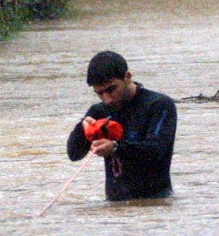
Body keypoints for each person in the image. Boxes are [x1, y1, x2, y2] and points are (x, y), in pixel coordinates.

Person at [66, 50, 176, 201]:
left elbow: (156, 151)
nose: (107, 100)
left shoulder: (159, 105)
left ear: (128, 77)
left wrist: (116, 147)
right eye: (99, 93)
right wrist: (83, 130)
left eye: (111, 89)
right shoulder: (99, 111)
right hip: (114, 208)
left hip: (156, 203)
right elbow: (73, 154)